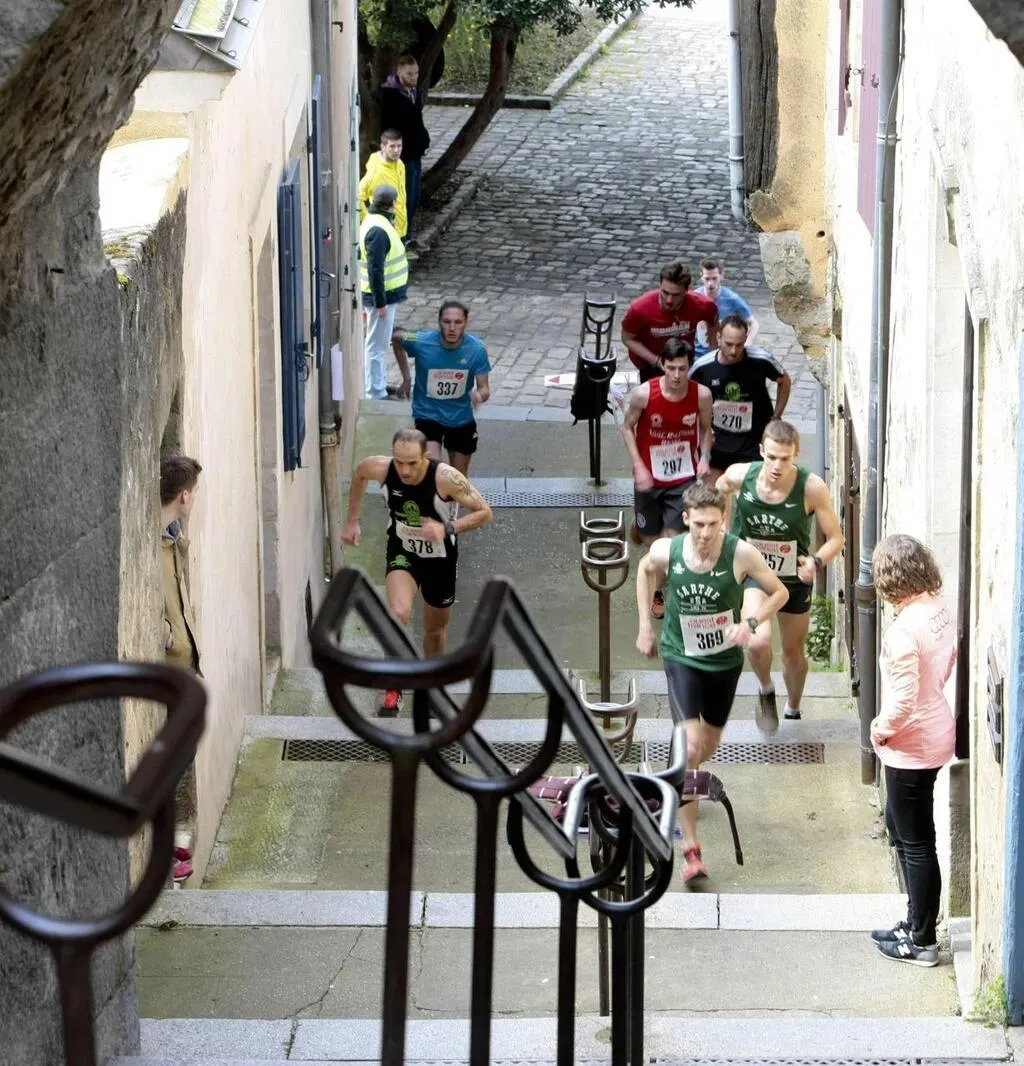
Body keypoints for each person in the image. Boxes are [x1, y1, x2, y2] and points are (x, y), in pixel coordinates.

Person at [635, 482, 788, 883]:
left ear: (724, 520)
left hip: (723, 663)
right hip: (681, 656)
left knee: (706, 747)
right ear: (686, 519)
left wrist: (750, 622)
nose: (705, 533)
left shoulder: (740, 553)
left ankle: (677, 781)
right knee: (689, 749)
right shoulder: (668, 551)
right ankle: (691, 849)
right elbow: (644, 571)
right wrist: (645, 626)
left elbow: (780, 593)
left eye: (713, 525)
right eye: (699, 524)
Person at [342, 428, 493, 714]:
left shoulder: (446, 478)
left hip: (440, 559)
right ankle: (394, 684)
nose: (405, 471)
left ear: (426, 456)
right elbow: (360, 474)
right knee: (398, 612)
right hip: (403, 552)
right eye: (400, 462)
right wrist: (352, 521)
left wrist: (447, 528)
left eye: (412, 463)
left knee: (434, 631)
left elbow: (484, 512)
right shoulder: (381, 468)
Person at [717, 420, 845, 730]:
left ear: (796, 455)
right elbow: (721, 487)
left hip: (793, 579)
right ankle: (765, 690)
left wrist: (815, 561)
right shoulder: (741, 475)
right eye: (772, 457)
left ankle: (793, 708)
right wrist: (724, 528)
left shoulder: (811, 487)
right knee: (757, 642)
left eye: (785, 459)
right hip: (755, 575)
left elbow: (836, 538)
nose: (776, 466)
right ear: (761, 450)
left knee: (792, 652)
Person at [868, 534, 956, 967]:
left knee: (917, 845)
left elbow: (902, 701)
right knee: (900, 828)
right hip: (934, 729)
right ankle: (914, 920)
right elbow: (947, 663)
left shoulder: (904, 630)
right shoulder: (937, 609)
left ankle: (922, 941)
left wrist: (879, 730)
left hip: (911, 745)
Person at [620, 338, 713, 618]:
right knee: (651, 540)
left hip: (682, 478)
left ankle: (658, 591)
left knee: (668, 543)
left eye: (682, 369)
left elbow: (706, 429)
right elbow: (626, 428)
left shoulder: (701, 396)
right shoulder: (644, 395)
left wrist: (704, 456)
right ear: (662, 365)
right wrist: (638, 465)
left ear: (689, 367)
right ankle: (641, 525)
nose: (676, 375)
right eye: (671, 368)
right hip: (649, 478)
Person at [160, 454, 203, 883]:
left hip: (182, 666)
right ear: (185, 495)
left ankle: (167, 841)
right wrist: (169, 637)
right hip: (167, 669)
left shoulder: (172, 537)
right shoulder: (155, 544)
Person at [688, 313, 791, 484]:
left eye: (739, 345)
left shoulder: (760, 360)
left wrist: (776, 417)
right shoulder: (703, 367)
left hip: (753, 444)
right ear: (718, 338)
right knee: (714, 495)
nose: (734, 351)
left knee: (750, 495)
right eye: (728, 344)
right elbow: (688, 395)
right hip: (718, 444)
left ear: (746, 339)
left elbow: (784, 381)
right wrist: (702, 427)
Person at [391, 300, 491, 475]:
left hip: (460, 417)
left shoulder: (477, 349)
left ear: (466, 323)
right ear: (439, 322)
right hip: (427, 414)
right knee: (434, 471)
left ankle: (452, 494)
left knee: (457, 478)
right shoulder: (422, 341)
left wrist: (479, 396)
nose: (452, 328)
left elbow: (485, 389)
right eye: (447, 322)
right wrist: (406, 378)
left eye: (458, 322)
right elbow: (397, 337)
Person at [620, 262, 719, 383]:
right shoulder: (639, 308)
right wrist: (656, 361)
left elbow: (713, 323)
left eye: (676, 295)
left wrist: (712, 357)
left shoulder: (703, 305)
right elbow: (627, 338)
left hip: (684, 361)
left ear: (686, 291)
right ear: (660, 285)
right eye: (665, 292)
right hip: (651, 364)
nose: (669, 300)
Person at [360, 184, 409, 400]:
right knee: (376, 346)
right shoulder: (378, 230)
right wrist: (380, 302)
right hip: (382, 298)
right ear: (392, 204)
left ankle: (378, 385)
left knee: (379, 343)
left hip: (385, 296)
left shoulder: (375, 222)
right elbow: (375, 269)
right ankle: (375, 392)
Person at [379, 55, 430, 245]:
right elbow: (395, 128)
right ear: (399, 73)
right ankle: (401, 238)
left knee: (414, 196)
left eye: (416, 73)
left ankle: (408, 235)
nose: (414, 77)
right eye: (409, 74)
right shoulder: (392, 96)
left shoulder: (412, 93)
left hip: (415, 153)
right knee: (405, 197)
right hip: (403, 155)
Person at [695, 258, 759, 354]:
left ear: (721, 276)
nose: (710, 283)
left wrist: (747, 343)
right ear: (701, 276)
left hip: (723, 353)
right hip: (697, 353)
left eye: (714, 278)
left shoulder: (731, 299)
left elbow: (754, 323)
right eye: (707, 279)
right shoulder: (694, 297)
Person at [358, 130, 408, 239]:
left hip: (401, 229)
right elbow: (357, 196)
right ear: (383, 147)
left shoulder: (400, 164)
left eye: (399, 146)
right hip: (385, 232)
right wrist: (368, 221)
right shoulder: (376, 172)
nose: (396, 150)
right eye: (392, 146)